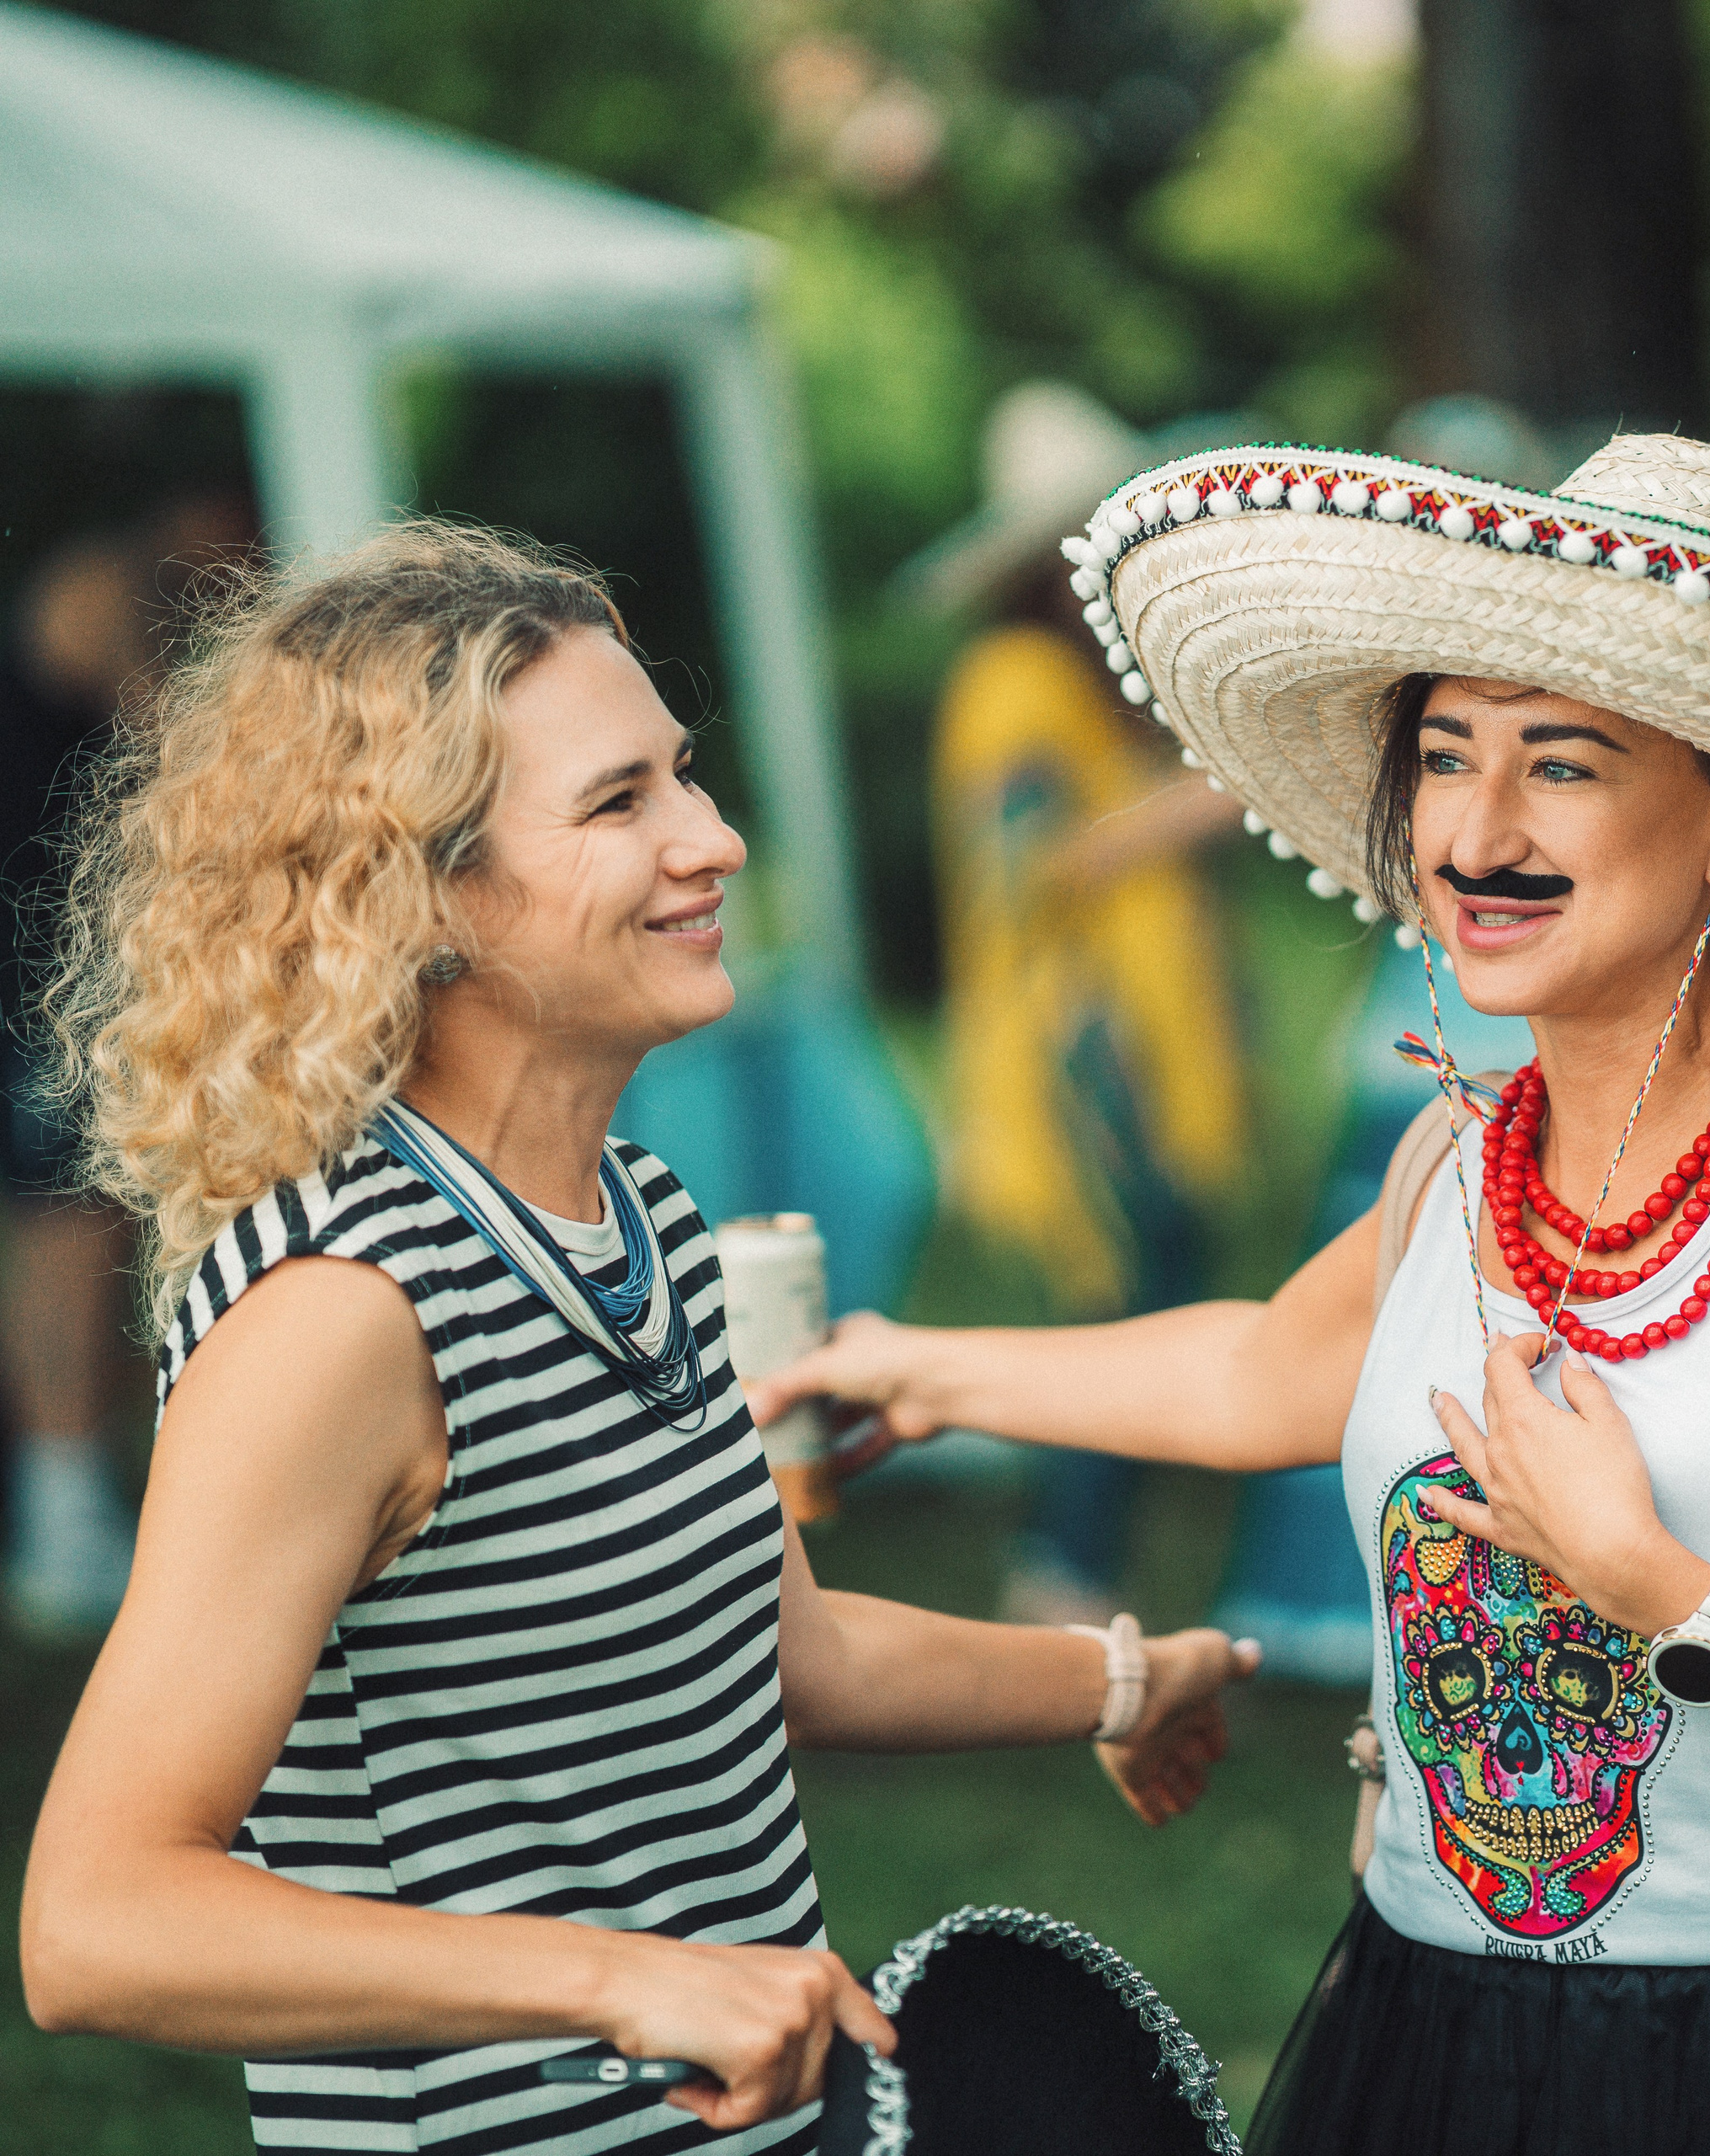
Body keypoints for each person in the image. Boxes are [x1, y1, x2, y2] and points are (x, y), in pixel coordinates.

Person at [750, 434, 1710, 2153]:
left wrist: (1660, 1591)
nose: (1474, 832)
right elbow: (1262, 1367)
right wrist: (917, 1366)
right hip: (1435, 2041)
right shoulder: (1453, 1160)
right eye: (1445, 758)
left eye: (1559, 763)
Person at [17, 522, 1257, 2156]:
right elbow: (97, 1920)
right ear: (424, 890)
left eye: (684, 776)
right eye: (621, 802)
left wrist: (1116, 1675)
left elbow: (778, 1647)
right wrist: (620, 1979)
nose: (717, 837)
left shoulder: (641, 1212)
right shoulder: (336, 1314)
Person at [907, 382, 1248, 1623]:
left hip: (1129, 1035)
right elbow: (1035, 866)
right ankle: (1061, 1567)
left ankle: (1086, 1560)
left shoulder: (1084, 680)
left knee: (1159, 1290)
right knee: (1124, 1308)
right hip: (1081, 1043)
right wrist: (1215, 795)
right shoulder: (1011, 680)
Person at [0, 495, 253, 1634]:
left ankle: (68, 1507)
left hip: (57, 970)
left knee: (85, 1220)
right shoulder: (108, 585)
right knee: (66, 1230)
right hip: (32, 976)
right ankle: (58, 1525)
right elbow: (173, 753)